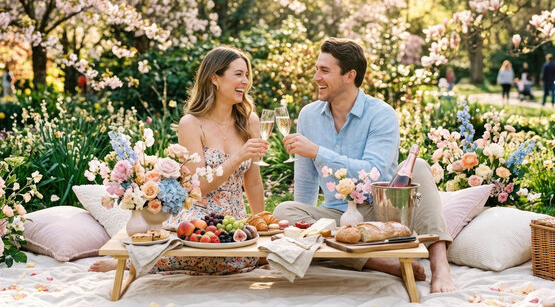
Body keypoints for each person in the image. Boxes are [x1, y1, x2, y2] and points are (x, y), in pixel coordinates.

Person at [273, 38, 455, 293]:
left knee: (420, 166)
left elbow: (373, 174)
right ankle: (380, 263)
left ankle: (440, 265)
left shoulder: (381, 114)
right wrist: (303, 230)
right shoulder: (308, 115)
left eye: (324, 70)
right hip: (339, 217)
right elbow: (305, 183)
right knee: (284, 211)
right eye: (317, 69)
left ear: (350, 76)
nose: (316, 77)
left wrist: (317, 152)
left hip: (383, 213)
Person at [90, 46, 269, 274]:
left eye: (247, 75)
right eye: (238, 74)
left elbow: (253, 182)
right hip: (200, 215)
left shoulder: (249, 121)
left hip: (234, 218)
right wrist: (238, 157)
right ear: (215, 78)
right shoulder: (191, 124)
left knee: (237, 257)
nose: (245, 81)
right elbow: (200, 187)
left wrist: (261, 224)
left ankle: (142, 260)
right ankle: (132, 263)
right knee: (209, 254)